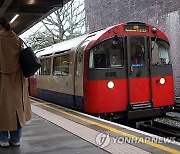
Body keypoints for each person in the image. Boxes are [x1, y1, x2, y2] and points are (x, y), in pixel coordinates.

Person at [0, 17, 32, 147]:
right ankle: (16, 139)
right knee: (18, 109)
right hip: (18, 80)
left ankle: (2, 139)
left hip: (2, 79)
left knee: (2, 108)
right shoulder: (17, 40)